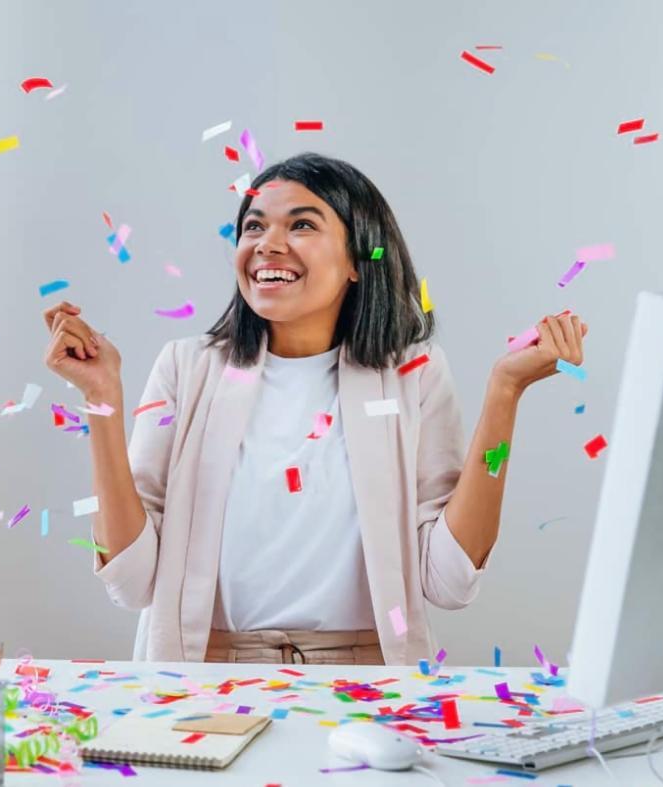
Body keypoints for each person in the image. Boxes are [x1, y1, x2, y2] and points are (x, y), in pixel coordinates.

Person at [41, 152, 587, 665]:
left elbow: (449, 580)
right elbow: (130, 581)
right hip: (206, 673)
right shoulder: (187, 368)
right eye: (254, 226)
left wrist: (504, 394)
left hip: (369, 675)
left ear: (358, 259)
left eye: (301, 225)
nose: (268, 244)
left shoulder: (413, 374)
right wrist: (101, 400)